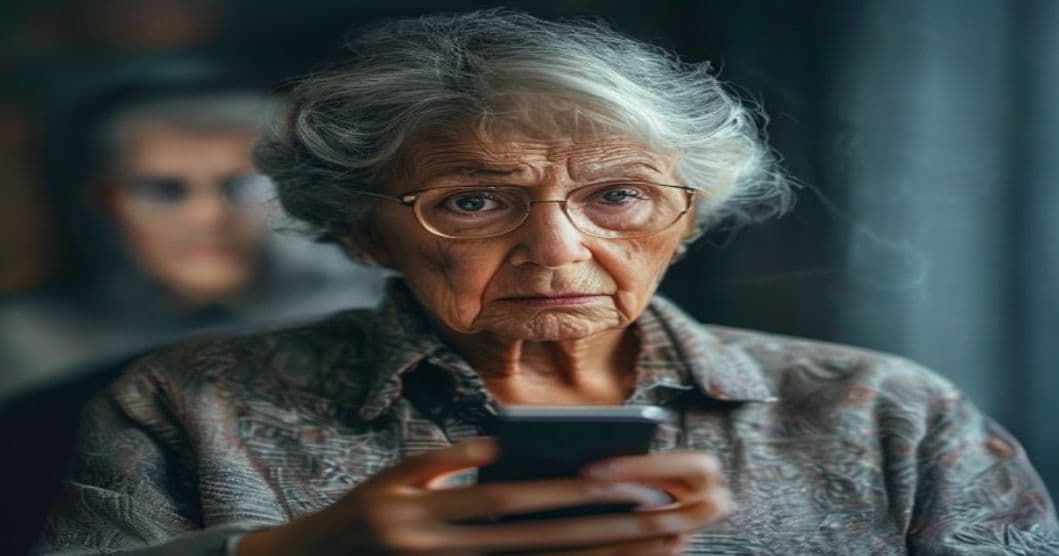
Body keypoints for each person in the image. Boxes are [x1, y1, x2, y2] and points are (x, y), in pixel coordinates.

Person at [31, 10, 1058, 555]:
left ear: (686, 216)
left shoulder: (891, 416)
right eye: (474, 202)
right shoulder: (187, 405)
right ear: (365, 232)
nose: (557, 252)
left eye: (616, 197)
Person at [0, 64, 386, 401]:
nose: (208, 217)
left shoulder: (372, 318)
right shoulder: (34, 342)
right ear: (107, 204)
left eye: (246, 187)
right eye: (164, 190)